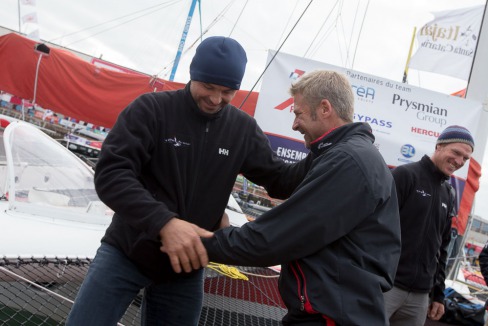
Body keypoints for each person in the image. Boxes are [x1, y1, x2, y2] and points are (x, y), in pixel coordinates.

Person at [66, 36, 313, 325]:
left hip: (187, 267)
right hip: (126, 253)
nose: (216, 99)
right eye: (208, 87)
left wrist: (325, 150)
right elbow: (111, 174)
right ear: (193, 75)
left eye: (228, 91)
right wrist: (165, 223)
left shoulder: (242, 129)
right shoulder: (151, 109)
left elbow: (279, 180)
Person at [202, 70, 402, 325]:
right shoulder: (336, 153)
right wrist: (238, 142)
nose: (295, 124)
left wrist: (200, 242)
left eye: (298, 113)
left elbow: (274, 238)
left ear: (325, 108)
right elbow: (282, 181)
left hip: (332, 317)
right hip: (325, 312)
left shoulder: (349, 161)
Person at [384, 125, 475, 326]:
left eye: (465, 158)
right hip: (386, 287)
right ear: (439, 146)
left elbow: (441, 249)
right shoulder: (405, 175)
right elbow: (375, 230)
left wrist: (438, 296)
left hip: (420, 297)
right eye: (456, 153)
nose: (459, 161)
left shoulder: (449, 193)